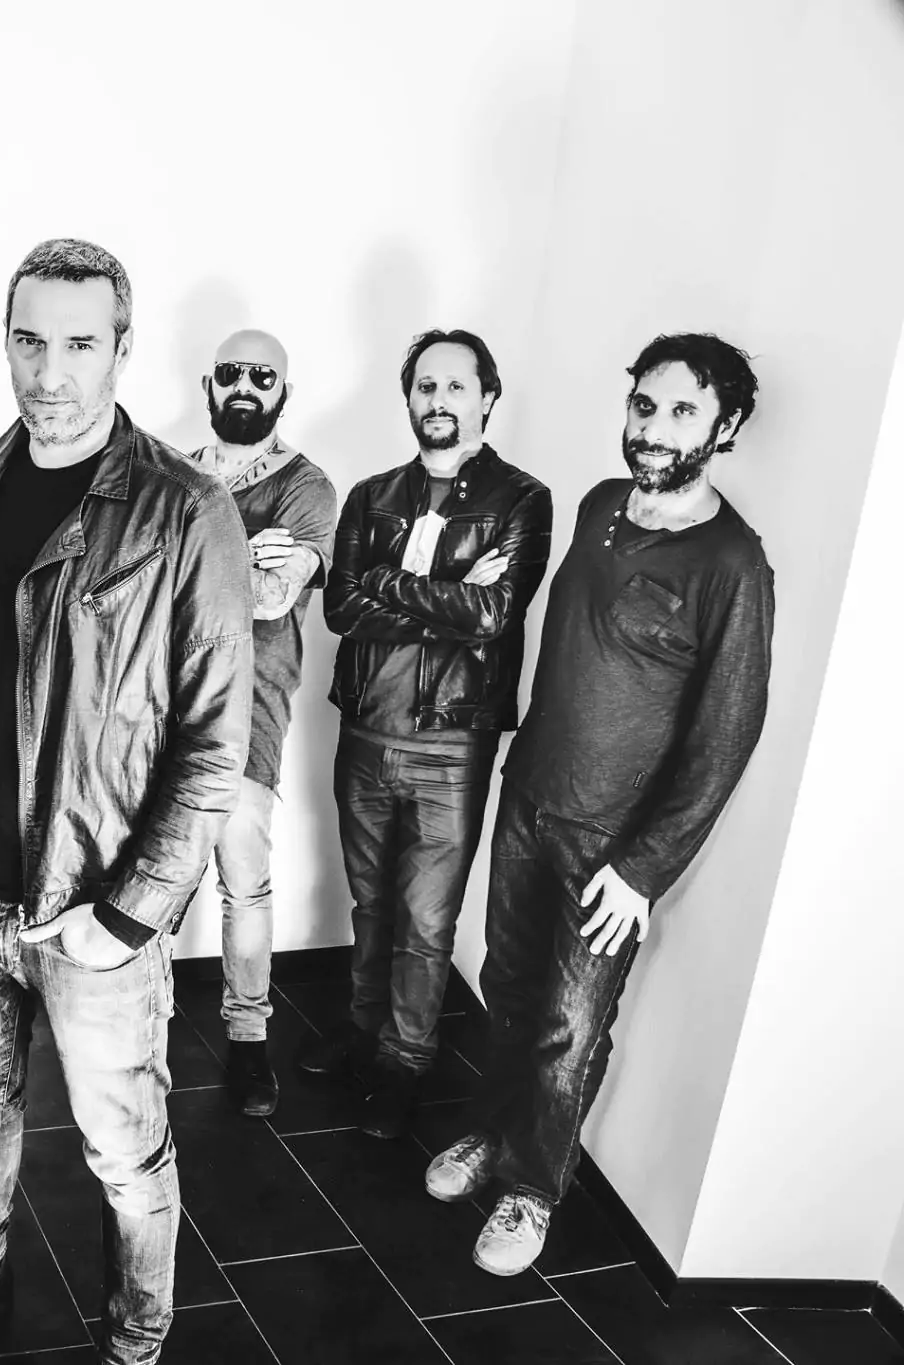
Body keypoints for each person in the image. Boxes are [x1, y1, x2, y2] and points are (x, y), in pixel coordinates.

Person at [0, 239, 253, 1365]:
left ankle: (136, 1340)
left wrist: (130, 911)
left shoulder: (187, 511)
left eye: (79, 344)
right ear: (4, 341)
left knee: (123, 1152)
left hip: (92, 905)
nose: (49, 373)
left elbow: (212, 742)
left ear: (123, 350)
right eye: (28, 341)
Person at [428, 334, 773, 1276]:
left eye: (684, 411)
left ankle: (532, 1188)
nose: (655, 428)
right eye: (645, 406)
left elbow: (726, 736)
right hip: (531, 799)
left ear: (727, 427)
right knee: (507, 988)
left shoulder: (732, 565)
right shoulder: (598, 506)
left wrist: (643, 869)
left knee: (569, 1025)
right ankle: (494, 1134)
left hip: (613, 848)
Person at [309, 329, 552, 1141]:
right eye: (425, 386)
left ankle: (406, 1062)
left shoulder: (521, 500)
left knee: (425, 920)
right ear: (408, 397)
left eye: (455, 385)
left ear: (488, 397)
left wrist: (387, 583)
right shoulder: (370, 495)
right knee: (371, 902)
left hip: (451, 743)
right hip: (364, 733)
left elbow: (492, 614)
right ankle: (363, 1033)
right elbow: (340, 606)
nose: (438, 400)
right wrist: (438, 592)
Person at [185, 328, 338, 1119]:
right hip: (164, 713)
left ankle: (248, 1040)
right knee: (155, 876)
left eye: (263, 375)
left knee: (244, 882)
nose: (245, 385)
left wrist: (192, 563)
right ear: (209, 384)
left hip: (249, 713)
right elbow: (131, 594)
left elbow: (275, 600)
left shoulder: (307, 486)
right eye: (231, 372)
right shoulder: (172, 472)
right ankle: (140, 1028)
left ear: (284, 391)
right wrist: (245, 554)